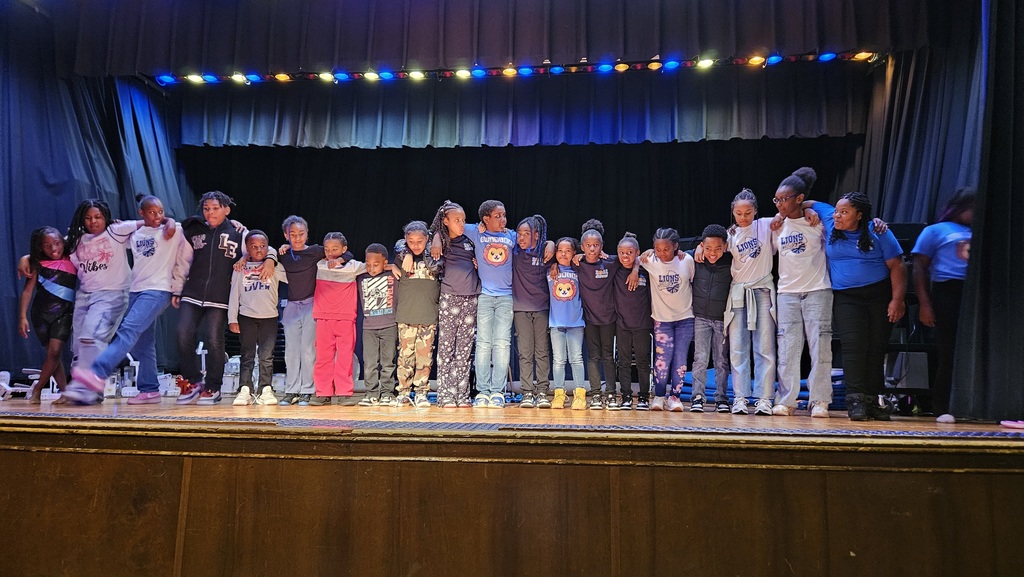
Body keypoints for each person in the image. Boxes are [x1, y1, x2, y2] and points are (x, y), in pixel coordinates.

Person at [64, 196, 188, 405]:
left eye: (160, 212)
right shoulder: (135, 234)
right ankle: (149, 389)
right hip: (136, 289)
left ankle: (97, 372)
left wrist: (238, 227)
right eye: (151, 212)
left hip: (158, 289)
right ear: (141, 213)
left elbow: (199, 227)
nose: (157, 216)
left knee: (128, 330)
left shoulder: (174, 229)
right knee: (143, 343)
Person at [808, 193, 906, 420]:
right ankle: (855, 401)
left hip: (878, 294)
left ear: (859, 215)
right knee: (853, 346)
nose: (837, 215)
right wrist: (809, 212)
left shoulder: (878, 231)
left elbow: (898, 265)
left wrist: (897, 300)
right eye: (837, 211)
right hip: (846, 297)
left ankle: (874, 401)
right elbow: (805, 201)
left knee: (876, 347)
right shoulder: (831, 221)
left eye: (844, 212)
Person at [175, 191, 276, 406]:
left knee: (213, 339)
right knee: (183, 333)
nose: (210, 212)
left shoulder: (239, 233)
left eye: (215, 208)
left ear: (226, 210)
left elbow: (260, 246)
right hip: (192, 292)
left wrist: (270, 259)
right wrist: (177, 289)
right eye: (206, 208)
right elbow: (182, 261)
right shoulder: (193, 229)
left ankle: (213, 386)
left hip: (220, 296)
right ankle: (193, 381)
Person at [432, 200, 516, 409]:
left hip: (497, 297)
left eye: (504, 215)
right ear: (485, 219)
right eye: (498, 216)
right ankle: (475, 391)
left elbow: (531, 237)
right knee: (479, 345)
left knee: (499, 344)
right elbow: (440, 227)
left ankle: (494, 392)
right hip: (481, 296)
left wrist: (550, 244)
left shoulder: (510, 235)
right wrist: (435, 239)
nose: (503, 220)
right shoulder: (472, 232)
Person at [771, 167, 833, 418]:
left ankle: (819, 400)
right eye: (776, 200)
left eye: (783, 199)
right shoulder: (776, 226)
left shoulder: (816, 222)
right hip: (787, 293)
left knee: (820, 347)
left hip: (817, 290)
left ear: (799, 198)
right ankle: (787, 400)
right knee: (788, 348)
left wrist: (808, 208)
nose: (778, 204)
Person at [275, 216, 354, 406]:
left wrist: (342, 258)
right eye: (292, 234)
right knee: (291, 351)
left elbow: (348, 254)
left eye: (301, 234)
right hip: (292, 305)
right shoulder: (283, 254)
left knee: (309, 350)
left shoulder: (316, 251)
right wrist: (275, 254)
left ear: (307, 234)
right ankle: (291, 389)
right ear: (286, 235)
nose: (297, 238)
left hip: (312, 304)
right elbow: (269, 256)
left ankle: (308, 390)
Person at [911, 189, 975, 423]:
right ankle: (943, 406)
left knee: (974, 351)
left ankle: (974, 404)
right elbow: (919, 268)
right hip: (948, 290)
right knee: (948, 350)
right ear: (960, 207)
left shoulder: (981, 230)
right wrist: (925, 304)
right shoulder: (935, 231)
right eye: (973, 209)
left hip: (975, 292)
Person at [718, 189, 780, 415]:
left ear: (755, 211)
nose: (743, 217)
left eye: (747, 212)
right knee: (737, 348)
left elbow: (792, 213)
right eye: (738, 213)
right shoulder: (730, 234)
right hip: (738, 293)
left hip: (762, 290)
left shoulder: (766, 225)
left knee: (764, 347)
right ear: (733, 213)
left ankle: (764, 398)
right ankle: (740, 397)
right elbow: (711, 249)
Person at [573, 219, 640, 409]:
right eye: (588, 246)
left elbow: (637, 258)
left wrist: (635, 270)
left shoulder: (611, 262)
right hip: (589, 319)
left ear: (601, 246)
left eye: (596, 245)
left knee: (609, 356)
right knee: (594, 356)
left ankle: (611, 393)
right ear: (582, 246)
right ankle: (596, 394)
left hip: (609, 319)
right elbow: (559, 258)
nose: (592, 249)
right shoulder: (577, 263)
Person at [430, 201, 480, 408]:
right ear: (446, 221)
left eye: (463, 220)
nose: (461, 224)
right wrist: (435, 238)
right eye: (457, 220)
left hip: (471, 297)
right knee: (446, 348)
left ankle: (462, 394)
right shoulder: (439, 242)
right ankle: (445, 395)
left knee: (465, 350)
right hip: (450, 298)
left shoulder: (469, 241)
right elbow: (405, 244)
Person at [228, 230, 288, 406]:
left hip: (269, 317)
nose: (259, 250)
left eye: (262, 246)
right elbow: (234, 295)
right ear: (247, 249)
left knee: (266, 356)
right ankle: (245, 389)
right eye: (253, 247)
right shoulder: (240, 268)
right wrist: (232, 318)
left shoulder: (275, 268)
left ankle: (265, 389)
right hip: (247, 316)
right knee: (247, 355)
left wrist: (275, 257)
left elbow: (294, 277)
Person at [640, 228, 696, 411]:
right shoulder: (651, 260)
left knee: (680, 359)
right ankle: (659, 395)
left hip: (685, 318)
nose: (662, 253)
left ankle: (675, 397)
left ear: (676, 247)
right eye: (658, 249)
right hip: (662, 319)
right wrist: (638, 264)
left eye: (666, 249)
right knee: (662, 360)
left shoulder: (686, 260)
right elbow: (632, 259)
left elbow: (694, 281)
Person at [18, 227, 75, 403]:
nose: (53, 249)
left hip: (64, 313)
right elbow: (27, 292)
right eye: (47, 246)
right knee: (53, 356)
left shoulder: (73, 258)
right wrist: (22, 317)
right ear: (40, 247)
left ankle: (37, 389)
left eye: (57, 243)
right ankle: (65, 393)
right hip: (41, 315)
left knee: (55, 352)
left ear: (63, 242)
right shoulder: (37, 264)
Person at [309, 232, 366, 406]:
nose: (330, 253)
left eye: (335, 249)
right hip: (324, 317)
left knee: (344, 357)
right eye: (327, 249)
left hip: (346, 317)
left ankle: (344, 391)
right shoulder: (319, 264)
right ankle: (323, 392)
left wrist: (392, 267)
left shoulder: (353, 266)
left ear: (344, 249)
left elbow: (373, 265)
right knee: (323, 357)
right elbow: (303, 253)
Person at [394, 221, 441, 407]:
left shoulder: (435, 257)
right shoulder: (401, 256)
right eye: (411, 241)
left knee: (425, 357)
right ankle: (404, 392)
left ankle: (421, 392)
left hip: (428, 315)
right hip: (406, 315)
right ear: (406, 240)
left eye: (419, 241)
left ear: (427, 240)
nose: (415, 245)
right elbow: (397, 247)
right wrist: (397, 261)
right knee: (405, 357)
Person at [687, 225, 733, 413]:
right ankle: (698, 396)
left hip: (722, 318)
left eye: (718, 249)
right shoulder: (694, 258)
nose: (712, 253)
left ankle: (721, 398)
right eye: (707, 248)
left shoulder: (732, 260)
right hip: (701, 318)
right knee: (700, 358)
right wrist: (697, 250)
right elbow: (675, 252)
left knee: (721, 360)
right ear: (701, 246)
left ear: (725, 247)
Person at [512, 214, 552, 409]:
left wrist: (552, 243)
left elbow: (570, 249)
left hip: (541, 308)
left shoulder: (545, 253)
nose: (521, 238)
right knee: (525, 353)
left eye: (526, 234)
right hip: (520, 309)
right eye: (519, 233)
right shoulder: (514, 253)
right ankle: (527, 392)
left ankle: (543, 390)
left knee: (542, 352)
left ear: (536, 235)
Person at [611, 232, 652, 410]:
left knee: (643, 362)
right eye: (621, 252)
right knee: (624, 362)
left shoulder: (646, 269)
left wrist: (637, 268)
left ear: (637, 253)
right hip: (622, 324)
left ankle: (643, 397)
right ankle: (626, 396)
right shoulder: (615, 267)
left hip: (642, 324)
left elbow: (653, 252)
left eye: (630, 252)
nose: (625, 256)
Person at [355, 243, 399, 406]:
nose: (371, 268)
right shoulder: (361, 276)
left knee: (388, 361)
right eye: (368, 264)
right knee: (370, 362)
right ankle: (371, 392)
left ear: (385, 262)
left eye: (376, 264)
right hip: (369, 328)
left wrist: (392, 266)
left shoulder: (393, 275)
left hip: (389, 325)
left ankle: (387, 392)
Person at [548, 237, 587, 410]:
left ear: (574, 253)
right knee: (558, 360)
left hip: (575, 322)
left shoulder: (580, 270)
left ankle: (579, 394)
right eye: (560, 251)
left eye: (568, 251)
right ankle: (559, 394)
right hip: (556, 323)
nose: (563, 254)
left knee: (576, 359)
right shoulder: (549, 271)